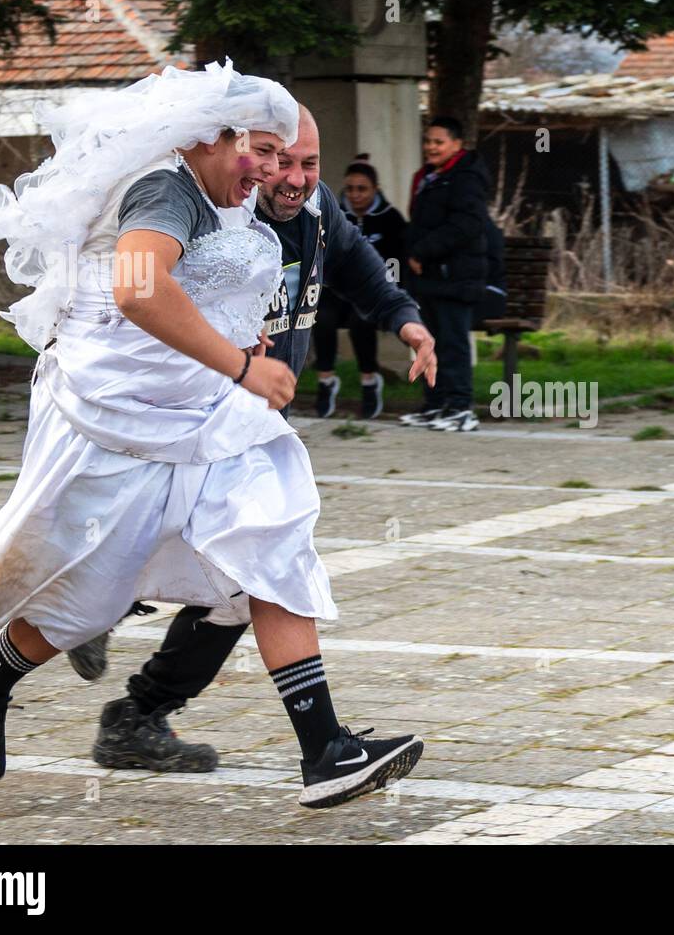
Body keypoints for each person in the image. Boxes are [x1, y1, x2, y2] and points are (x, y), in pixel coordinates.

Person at [0, 62, 434, 810]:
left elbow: (220, 287)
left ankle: (328, 751)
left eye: (287, 158)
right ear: (212, 135)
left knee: (272, 541)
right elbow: (139, 289)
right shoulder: (163, 190)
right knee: (92, 596)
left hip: (214, 420)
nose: (271, 173)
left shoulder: (231, 190)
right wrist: (240, 365)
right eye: (262, 153)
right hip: (127, 421)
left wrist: (247, 348)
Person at [76, 107, 433, 777]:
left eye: (308, 164)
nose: (293, 179)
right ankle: (83, 619)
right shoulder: (212, 214)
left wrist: (404, 320)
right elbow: (138, 294)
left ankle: (135, 708)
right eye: (277, 161)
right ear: (247, 156)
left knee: (240, 586)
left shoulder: (320, 211)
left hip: (252, 421)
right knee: (239, 569)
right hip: (190, 421)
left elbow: (358, 267)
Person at [397, 115, 491, 433]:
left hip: (457, 276)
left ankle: (461, 407)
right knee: (429, 341)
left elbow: (467, 225)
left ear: (456, 144)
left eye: (438, 142)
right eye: (427, 141)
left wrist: (424, 251)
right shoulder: (427, 177)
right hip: (428, 277)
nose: (431, 147)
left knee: (453, 342)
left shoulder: (467, 177)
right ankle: (435, 404)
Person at [313, 154, 408, 419]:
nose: (355, 195)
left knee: (362, 319)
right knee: (322, 318)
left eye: (362, 189)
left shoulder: (391, 220)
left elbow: (397, 263)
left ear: (375, 190)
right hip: (336, 290)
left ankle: (369, 381)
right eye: (350, 189)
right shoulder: (334, 216)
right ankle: (326, 381)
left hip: (371, 292)